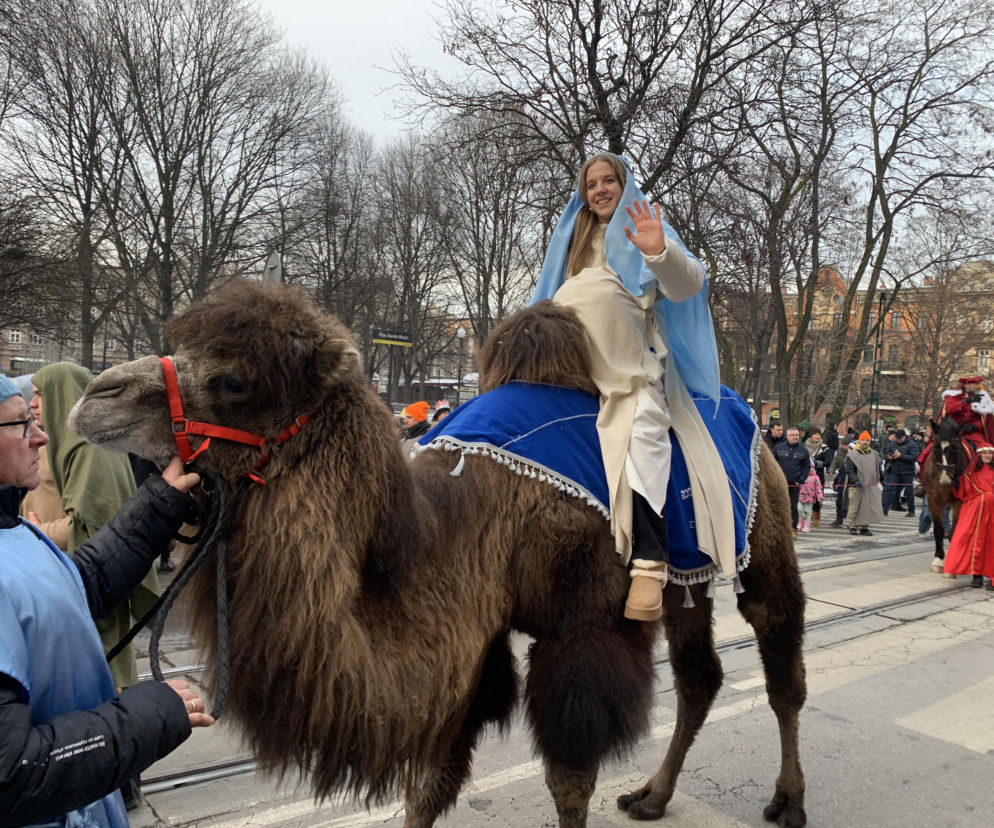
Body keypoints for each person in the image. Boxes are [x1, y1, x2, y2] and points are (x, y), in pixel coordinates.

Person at [0, 374, 214, 826]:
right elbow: (12, 773)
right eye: (21, 424)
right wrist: (145, 717)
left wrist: (160, 503)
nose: (40, 436)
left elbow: (78, 585)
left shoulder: (12, 531)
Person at [530, 152, 734, 621]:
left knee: (644, 428)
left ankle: (649, 560)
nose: (599, 190)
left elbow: (688, 286)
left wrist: (658, 252)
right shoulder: (569, 241)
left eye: (609, 181)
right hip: (571, 363)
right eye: (592, 183)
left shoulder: (645, 225)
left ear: (625, 185)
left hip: (627, 366)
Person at [29, 362, 159, 691]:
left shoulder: (92, 451)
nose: (32, 404)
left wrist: (34, 533)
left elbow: (103, 526)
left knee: (98, 680)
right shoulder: (48, 441)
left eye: (39, 395)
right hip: (51, 579)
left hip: (87, 584)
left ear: (62, 395)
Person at [942, 443, 994, 589]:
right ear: (980, 455)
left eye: (990, 453)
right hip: (974, 510)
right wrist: (953, 479)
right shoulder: (970, 473)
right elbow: (963, 488)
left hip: (992, 511)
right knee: (973, 540)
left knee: (990, 543)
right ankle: (976, 576)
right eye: (985, 453)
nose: (987, 456)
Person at [918, 376, 994, 475]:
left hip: (972, 433)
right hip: (953, 431)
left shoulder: (982, 397)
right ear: (966, 385)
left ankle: (984, 476)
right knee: (931, 449)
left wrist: (975, 426)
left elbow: (984, 419)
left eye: (978, 383)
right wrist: (965, 402)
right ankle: (923, 477)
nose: (978, 386)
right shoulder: (953, 396)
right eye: (975, 384)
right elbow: (950, 409)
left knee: (985, 450)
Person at [774, 427, 812, 539]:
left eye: (797, 435)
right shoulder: (778, 448)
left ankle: (793, 528)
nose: (795, 437)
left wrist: (801, 479)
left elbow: (806, 467)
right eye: (792, 435)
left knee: (793, 508)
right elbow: (773, 463)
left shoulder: (803, 450)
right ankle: (778, 529)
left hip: (794, 484)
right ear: (787, 436)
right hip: (780, 483)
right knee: (779, 506)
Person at [844, 431, 885, 535]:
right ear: (859, 440)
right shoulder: (852, 454)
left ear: (870, 441)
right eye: (863, 440)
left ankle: (864, 527)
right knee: (854, 507)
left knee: (867, 507)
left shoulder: (874, 454)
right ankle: (852, 526)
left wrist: (882, 479)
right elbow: (849, 470)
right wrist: (855, 480)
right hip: (855, 486)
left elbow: (878, 469)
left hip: (869, 486)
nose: (865, 442)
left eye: (867, 440)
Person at [881, 428, 920, 518]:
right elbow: (887, 454)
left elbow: (914, 457)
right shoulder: (893, 444)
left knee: (909, 492)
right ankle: (884, 509)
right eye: (897, 439)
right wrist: (889, 457)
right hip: (895, 470)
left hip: (908, 472)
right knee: (889, 489)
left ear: (904, 436)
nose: (898, 441)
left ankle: (911, 510)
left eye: (900, 439)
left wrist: (901, 456)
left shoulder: (911, 444)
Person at [804, 427, 833, 526]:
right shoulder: (804, 446)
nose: (817, 436)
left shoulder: (824, 448)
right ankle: (805, 515)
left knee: (817, 496)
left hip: (818, 475)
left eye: (818, 434)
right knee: (804, 495)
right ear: (811, 435)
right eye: (815, 434)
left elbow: (828, 461)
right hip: (806, 475)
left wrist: (816, 463)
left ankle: (816, 515)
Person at [797, 465, 823, 533]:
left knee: (807, 512)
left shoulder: (816, 477)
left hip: (810, 498)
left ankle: (806, 526)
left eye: (812, 468)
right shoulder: (801, 475)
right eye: (809, 468)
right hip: (800, 497)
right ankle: (800, 524)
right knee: (799, 509)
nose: (810, 469)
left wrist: (820, 497)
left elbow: (819, 488)